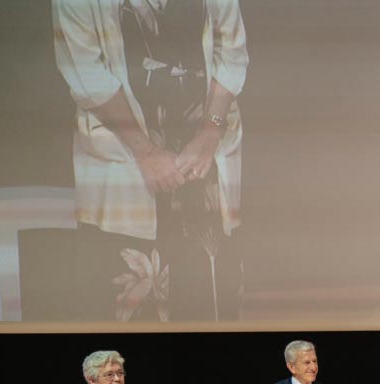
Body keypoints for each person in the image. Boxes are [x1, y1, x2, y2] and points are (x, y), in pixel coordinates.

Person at [52, 0, 248, 321]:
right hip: (123, 156)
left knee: (210, 300)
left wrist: (210, 132)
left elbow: (232, 49)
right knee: (130, 309)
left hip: (204, 157)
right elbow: (83, 67)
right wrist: (145, 152)